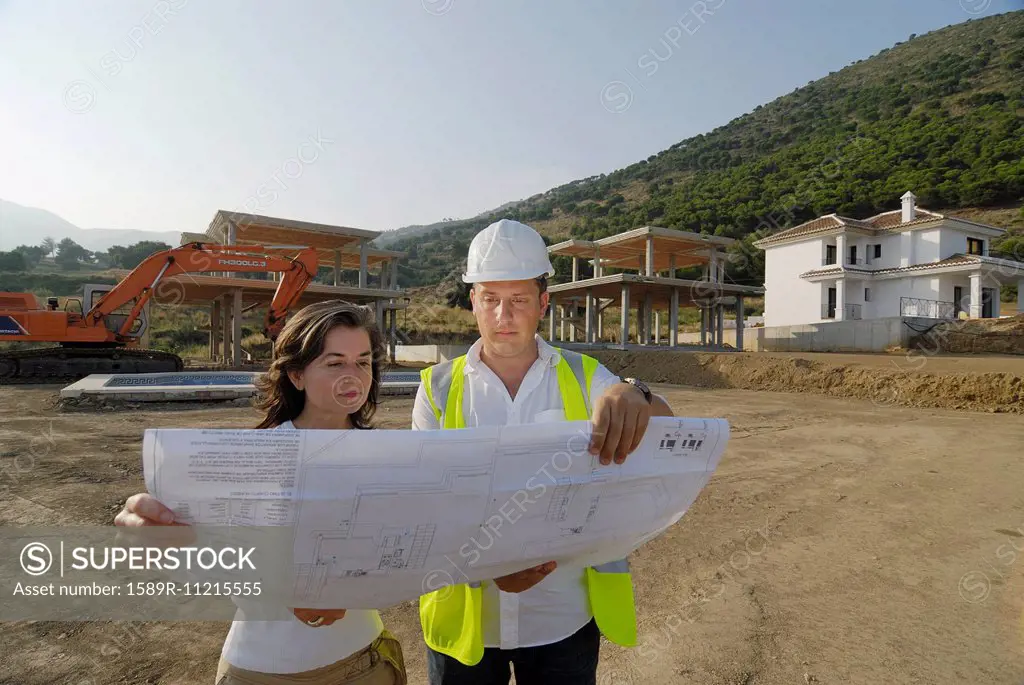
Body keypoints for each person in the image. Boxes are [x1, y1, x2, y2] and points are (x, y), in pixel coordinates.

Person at [413, 218, 675, 685]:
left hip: (562, 620)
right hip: (467, 625)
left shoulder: (586, 376)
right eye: (490, 299)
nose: (502, 316)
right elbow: (426, 503)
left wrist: (637, 392)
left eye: (518, 300)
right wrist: (493, 566)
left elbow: (669, 427)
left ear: (543, 303)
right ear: (473, 300)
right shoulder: (437, 388)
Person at [114, 300, 407, 685]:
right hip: (262, 671)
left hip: (364, 664)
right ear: (297, 374)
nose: (352, 375)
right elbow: (199, 563)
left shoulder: (393, 460)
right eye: (335, 362)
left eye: (363, 362)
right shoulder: (249, 459)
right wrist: (155, 539)